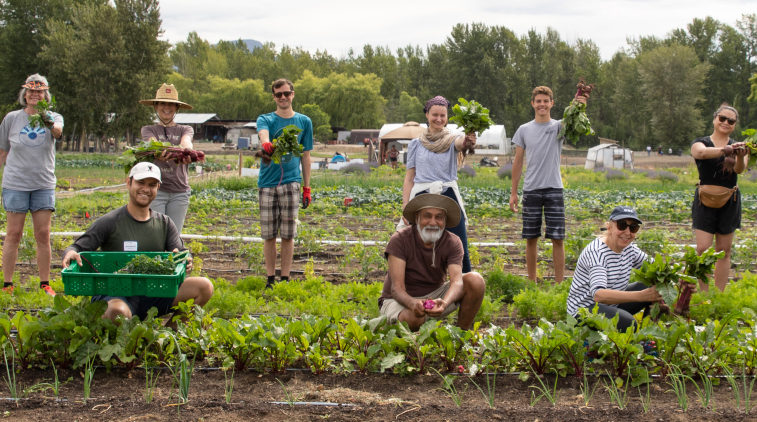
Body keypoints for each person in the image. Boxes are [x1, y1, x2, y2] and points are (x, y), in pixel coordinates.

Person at [61, 162, 214, 323]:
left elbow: (182, 254)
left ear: (158, 187)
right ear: (129, 182)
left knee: (204, 287)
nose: (146, 189)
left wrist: (185, 261)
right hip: (116, 294)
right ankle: (120, 332)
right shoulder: (111, 221)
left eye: (152, 185)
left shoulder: (165, 223)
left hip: (155, 291)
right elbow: (77, 247)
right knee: (117, 311)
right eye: (140, 183)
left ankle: (172, 331)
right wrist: (70, 252)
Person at [509, 87, 587, 283]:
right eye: (538, 101)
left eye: (546, 101)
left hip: (554, 189)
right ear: (532, 103)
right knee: (531, 238)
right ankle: (532, 282)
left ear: (552, 103)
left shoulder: (560, 127)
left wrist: (580, 102)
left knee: (557, 238)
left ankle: (560, 285)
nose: (542, 104)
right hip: (531, 189)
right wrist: (513, 193)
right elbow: (518, 162)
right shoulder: (524, 130)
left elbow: (575, 117)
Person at [379, 194, 485, 331]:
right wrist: (413, 304)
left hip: (433, 299)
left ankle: (461, 336)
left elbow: (457, 282)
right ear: (417, 218)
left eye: (439, 217)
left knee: (475, 281)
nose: (433, 222)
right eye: (427, 216)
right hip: (398, 301)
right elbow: (397, 289)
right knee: (414, 318)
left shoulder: (453, 242)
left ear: (445, 221)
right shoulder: (400, 240)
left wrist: (445, 303)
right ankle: (403, 338)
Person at [400, 96, 478, 278]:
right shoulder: (415, 144)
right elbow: (409, 178)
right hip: (421, 197)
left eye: (442, 115)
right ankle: (418, 289)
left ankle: (466, 290)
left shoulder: (452, 140)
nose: (438, 119)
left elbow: (462, 143)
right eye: (434, 114)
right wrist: (405, 205)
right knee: (416, 248)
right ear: (427, 115)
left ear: (447, 118)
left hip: (448, 196)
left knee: (460, 248)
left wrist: (468, 140)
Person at [0, 74, 63, 296]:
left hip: (43, 184)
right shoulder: (11, 119)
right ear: (24, 95)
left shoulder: (54, 117)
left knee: (43, 234)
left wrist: (48, 121)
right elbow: (3, 151)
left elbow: (58, 132)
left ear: (46, 96)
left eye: (39, 92)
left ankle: (44, 283)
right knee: (13, 234)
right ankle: (8, 285)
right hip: (15, 183)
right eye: (30, 91)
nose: (34, 95)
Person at [567, 206, 666, 332]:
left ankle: (648, 338)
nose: (627, 232)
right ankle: (594, 340)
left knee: (657, 287)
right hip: (584, 310)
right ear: (609, 227)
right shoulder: (597, 252)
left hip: (609, 305)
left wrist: (682, 282)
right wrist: (642, 296)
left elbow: (659, 270)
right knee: (628, 323)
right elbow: (599, 295)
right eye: (622, 225)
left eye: (633, 227)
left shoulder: (629, 249)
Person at [257, 78, 313, 289]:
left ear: (293, 94)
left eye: (286, 93)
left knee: (288, 234)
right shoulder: (266, 119)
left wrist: (306, 187)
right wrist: (266, 143)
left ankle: (285, 278)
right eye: (278, 94)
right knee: (269, 234)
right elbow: (263, 133)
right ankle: (270, 279)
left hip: (291, 183)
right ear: (273, 97)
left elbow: (306, 156)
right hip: (267, 183)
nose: (283, 97)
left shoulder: (304, 122)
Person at [690, 104, 748, 292]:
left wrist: (739, 155)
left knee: (724, 251)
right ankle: (704, 295)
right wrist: (727, 150)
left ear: (734, 125)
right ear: (715, 119)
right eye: (722, 118)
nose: (725, 123)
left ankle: (719, 295)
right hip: (704, 199)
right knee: (702, 249)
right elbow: (701, 153)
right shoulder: (701, 142)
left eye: (730, 121)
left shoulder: (741, 146)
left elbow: (740, 169)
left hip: (729, 200)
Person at [139, 84, 196, 234]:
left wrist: (186, 152)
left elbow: (186, 142)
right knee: (156, 234)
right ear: (156, 106)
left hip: (180, 191)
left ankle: (172, 258)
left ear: (177, 108)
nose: (167, 107)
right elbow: (153, 144)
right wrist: (158, 152)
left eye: (171, 104)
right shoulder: (148, 130)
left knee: (174, 236)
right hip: (157, 190)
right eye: (162, 103)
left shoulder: (185, 129)